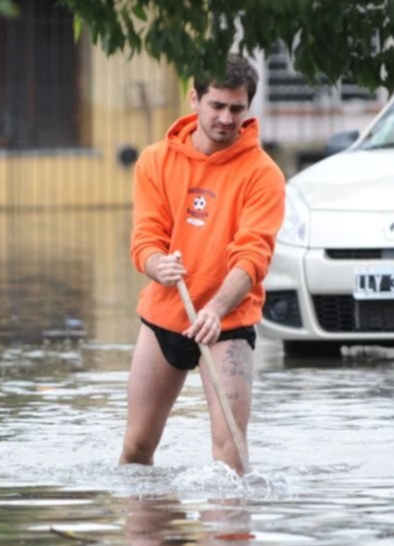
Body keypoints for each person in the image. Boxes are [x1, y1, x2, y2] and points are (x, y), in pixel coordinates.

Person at [119, 54, 285, 474]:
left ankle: (228, 534)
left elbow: (253, 254)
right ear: (194, 98)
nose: (227, 119)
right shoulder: (155, 161)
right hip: (166, 316)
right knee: (136, 448)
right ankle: (150, 536)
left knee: (230, 454)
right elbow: (145, 239)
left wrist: (215, 308)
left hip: (227, 322)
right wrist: (158, 266)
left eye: (237, 109)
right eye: (217, 106)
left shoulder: (263, 174)